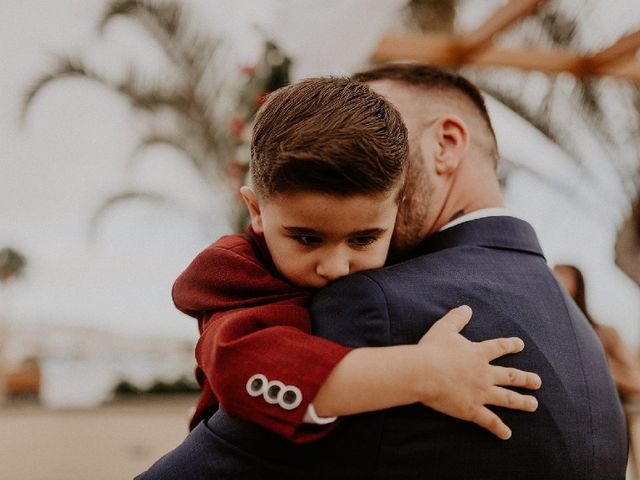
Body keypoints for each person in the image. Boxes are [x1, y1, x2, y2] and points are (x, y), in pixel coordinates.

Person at [137, 65, 627, 479]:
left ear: (446, 144)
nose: (346, 151)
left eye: (382, 130)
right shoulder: (580, 338)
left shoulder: (374, 302)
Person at [553, 264, 640, 399]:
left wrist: (596, 366)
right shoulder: (550, 337)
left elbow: (636, 381)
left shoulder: (606, 333)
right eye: (552, 274)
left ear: (577, 284)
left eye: (563, 275)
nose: (555, 280)